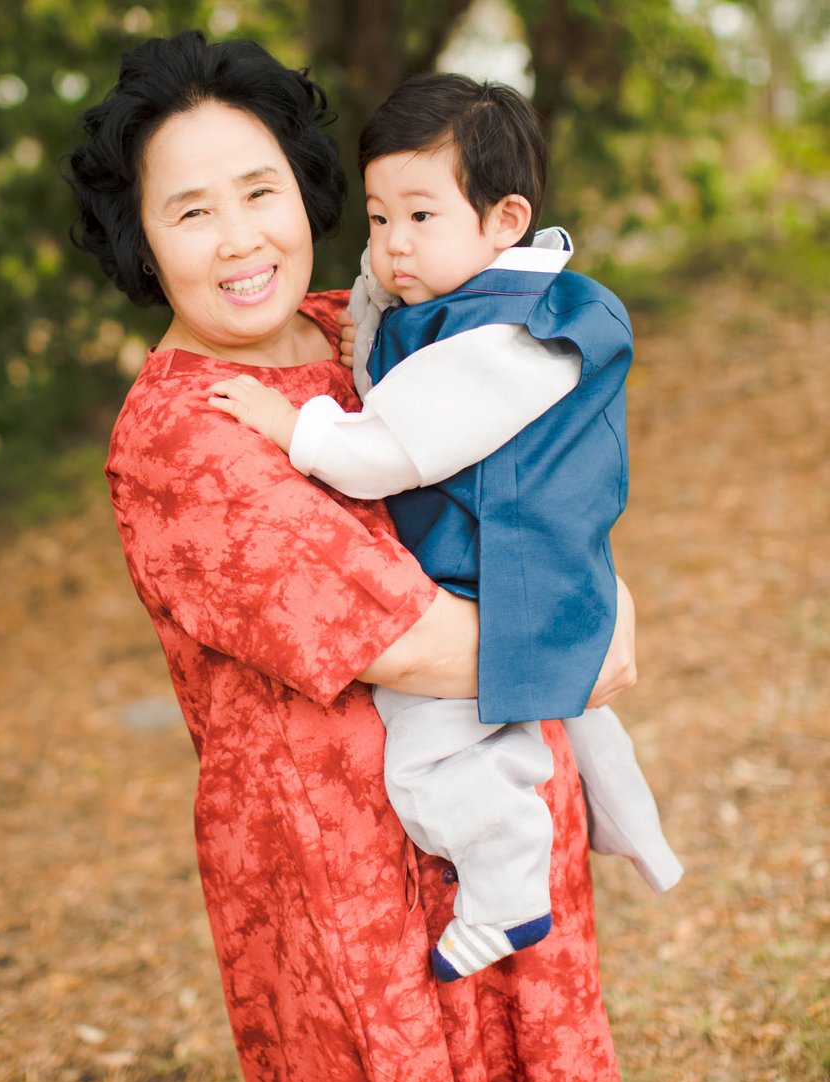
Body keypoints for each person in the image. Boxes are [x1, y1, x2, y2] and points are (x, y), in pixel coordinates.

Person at [68, 30, 637, 1082]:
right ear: (140, 239)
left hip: (496, 813)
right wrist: (586, 635)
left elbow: (545, 462)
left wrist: (608, 595)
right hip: (350, 882)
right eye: (191, 212)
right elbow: (402, 640)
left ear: (304, 191)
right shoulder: (183, 437)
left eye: (259, 191)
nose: (241, 238)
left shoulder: (368, 324)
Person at [209, 73, 682, 985]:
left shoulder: (508, 341)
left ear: (505, 220)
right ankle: (630, 830)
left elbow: (390, 448)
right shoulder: (470, 298)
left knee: (432, 750)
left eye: (420, 217)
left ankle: (507, 886)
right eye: (379, 217)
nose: (392, 245)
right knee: (576, 723)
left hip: (496, 568)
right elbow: (392, 333)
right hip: (512, 555)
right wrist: (369, 331)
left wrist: (292, 426)